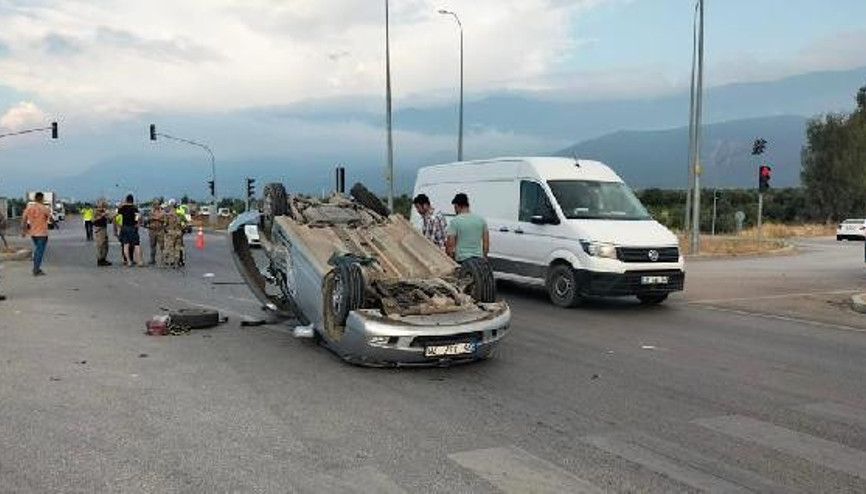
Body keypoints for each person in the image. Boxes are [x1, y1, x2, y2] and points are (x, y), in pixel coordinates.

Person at [445, 193, 489, 262]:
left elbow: (451, 245)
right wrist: (484, 257)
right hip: (478, 260)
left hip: (462, 261)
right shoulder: (481, 220)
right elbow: (486, 243)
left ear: (457, 206)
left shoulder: (455, 221)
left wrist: (451, 259)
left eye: (454, 207)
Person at [20, 192, 51, 276]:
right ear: (41, 198)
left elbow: (23, 220)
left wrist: (23, 231)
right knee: (39, 252)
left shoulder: (29, 208)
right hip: (42, 233)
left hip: (33, 233)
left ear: (35, 198)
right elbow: (49, 217)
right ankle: (36, 270)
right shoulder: (44, 208)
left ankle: (36, 268)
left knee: (37, 250)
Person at [117, 194, 143, 267]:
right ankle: (140, 261)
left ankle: (128, 261)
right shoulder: (134, 208)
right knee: (136, 245)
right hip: (132, 227)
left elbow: (116, 216)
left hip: (124, 227)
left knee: (125, 245)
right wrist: (138, 223)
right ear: (133, 200)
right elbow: (139, 217)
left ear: (126, 200)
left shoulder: (122, 208)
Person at [162, 203, 184, 268]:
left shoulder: (168, 215)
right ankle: (176, 263)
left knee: (168, 248)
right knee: (177, 248)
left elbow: (165, 224)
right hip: (178, 233)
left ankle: (165, 262)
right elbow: (183, 224)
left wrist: (165, 230)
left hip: (170, 233)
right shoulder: (180, 215)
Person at [93, 199, 112, 266]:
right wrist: (102, 215)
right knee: (100, 244)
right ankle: (100, 260)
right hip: (99, 229)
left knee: (105, 245)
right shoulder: (95, 211)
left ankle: (104, 259)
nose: (103, 205)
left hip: (104, 228)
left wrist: (109, 215)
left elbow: (110, 220)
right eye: (102, 203)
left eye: (103, 204)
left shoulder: (104, 211)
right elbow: (93, 220)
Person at [146, 199, 165, 266]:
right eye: (154, 204)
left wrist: (155, 218)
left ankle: (163, 259)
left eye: (157, 204)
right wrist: (156, 218)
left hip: (160, 230)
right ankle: (152, 259)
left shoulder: (163, 212)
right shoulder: (150, 211)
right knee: (152, 246)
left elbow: (164, 220)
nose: (155, 205)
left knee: (162, 246)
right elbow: (148, 219)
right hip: (152, 230)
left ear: (159, 204)